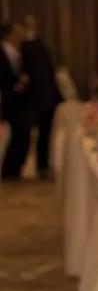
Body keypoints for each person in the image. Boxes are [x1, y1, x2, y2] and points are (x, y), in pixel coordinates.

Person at [20, 15, 62, 180]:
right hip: (41, 99)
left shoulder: (35, 45)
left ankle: (43, 166)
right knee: (42, 134)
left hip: (45, 98)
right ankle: (42, 166)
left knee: (45, 134)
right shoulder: (30, 47)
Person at [0, 21, 31, 180]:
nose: (22, 34)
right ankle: (9, 172)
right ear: (10, 34)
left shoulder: (18, 52)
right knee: (18, 135)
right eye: (18, 31)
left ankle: (13, 171)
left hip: (19, 102)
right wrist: (15, 88)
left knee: (22, 135)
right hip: (8, 100)